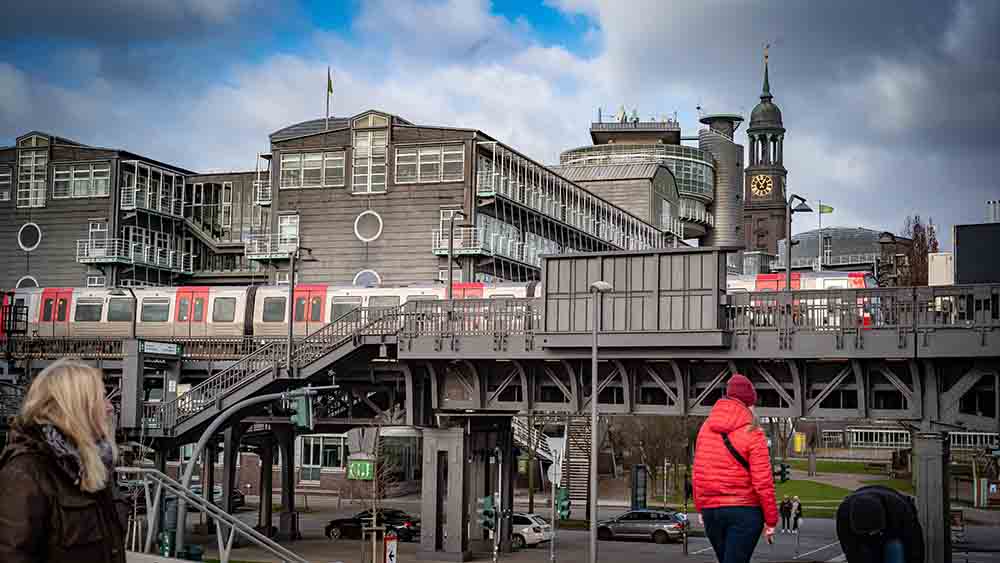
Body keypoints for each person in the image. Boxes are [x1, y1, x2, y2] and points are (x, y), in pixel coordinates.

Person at [0, 360, 126, 563]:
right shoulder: (26, 473)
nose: (110, 407)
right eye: (101, 398)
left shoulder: (95, 466)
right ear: (76, 407)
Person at [693, 374, 778, 563]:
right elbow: (763, 482)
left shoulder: (706, 427)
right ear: (750, 403)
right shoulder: (753, 432)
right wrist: (771, 520)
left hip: (711, 512)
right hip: (744, 511)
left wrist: (701, 507)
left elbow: (698, 471)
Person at [836, 485, 924, 563]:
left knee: (894, 548)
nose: (871, 534)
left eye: (874, 531)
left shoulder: (901, 510)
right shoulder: (844, 514)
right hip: (861, 537)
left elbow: (915, 546)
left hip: (894, 529)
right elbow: (850, 550)